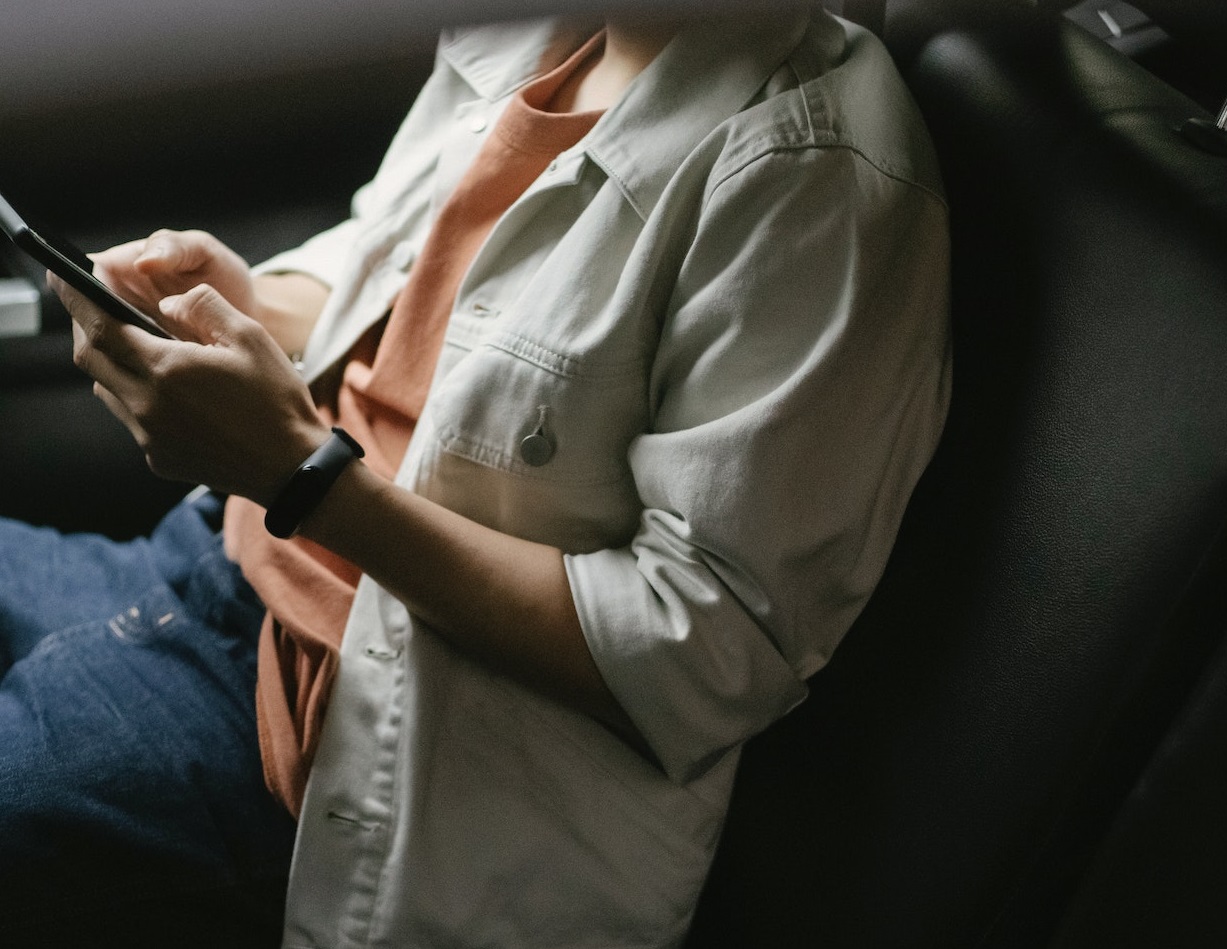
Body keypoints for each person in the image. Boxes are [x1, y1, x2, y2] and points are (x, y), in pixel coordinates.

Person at [1, 4, 950, 946]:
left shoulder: (811, 177)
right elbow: (400, 274)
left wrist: (299, 477)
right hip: (217, 564)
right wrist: (249, 306)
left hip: (335, 738)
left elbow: (694, 652)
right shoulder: (529, 33)